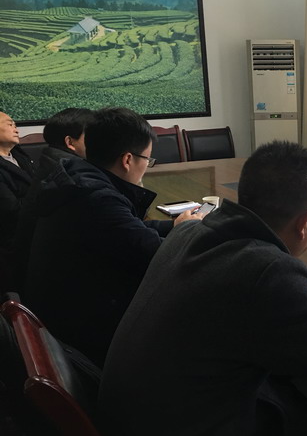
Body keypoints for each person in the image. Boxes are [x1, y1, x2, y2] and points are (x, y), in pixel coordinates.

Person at [99, 141, 307, 436]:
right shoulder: (267, 274)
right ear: (305, 222)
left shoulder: (191, 232)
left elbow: (243, 297)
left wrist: (306, 294)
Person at [23, 107, 202, 366]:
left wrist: (175, 225)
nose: (147, 166)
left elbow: (130, 230)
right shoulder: (96, 199)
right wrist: (190, 233)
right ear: (127, 159)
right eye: (148, 159)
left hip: (66, 312)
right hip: (89, 335)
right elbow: (158, 256)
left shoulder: (81, 177)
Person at [9, 108, 98, 293]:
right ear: (70, 142)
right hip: (58, 286)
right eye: (94, 137)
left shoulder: (54, 163)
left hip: (35, 275)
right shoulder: (71, 177)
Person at [0, 112, 35, 290]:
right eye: (9, 124)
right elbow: (10, 208)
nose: (16, 128)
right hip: (12, 242)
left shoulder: (20, 155)